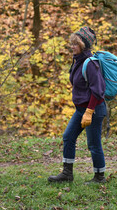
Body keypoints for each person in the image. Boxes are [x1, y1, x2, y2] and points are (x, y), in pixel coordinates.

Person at [48, 26, 107, 183]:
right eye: (72, 43)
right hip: (81, 109)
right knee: (68, 136)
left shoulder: (91, 64)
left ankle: (99, 177)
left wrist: (89, 111)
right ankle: (67, 174)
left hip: (94, 110)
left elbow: (98, 91)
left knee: (94, 144)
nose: (72, 46)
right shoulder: (77, 61)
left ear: (83, 45)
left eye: (75, 44)